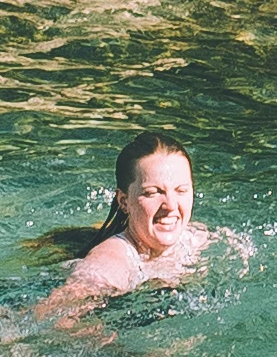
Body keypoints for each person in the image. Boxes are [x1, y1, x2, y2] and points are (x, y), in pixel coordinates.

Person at [41, 135, 214, 315]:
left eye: (181, 190)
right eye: (153, 193)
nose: (170, 205)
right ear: (124, 201)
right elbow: (50, 313)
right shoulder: (112, 263)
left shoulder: (195, 237)